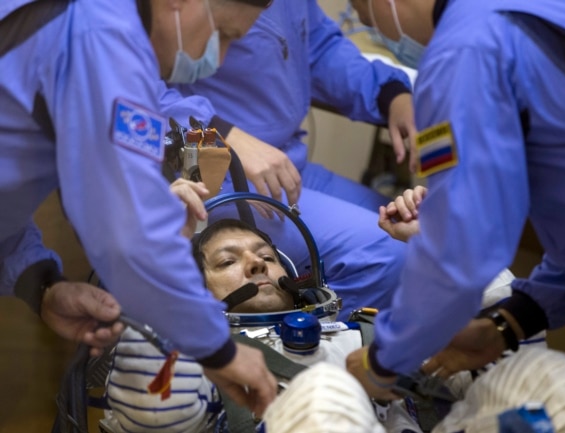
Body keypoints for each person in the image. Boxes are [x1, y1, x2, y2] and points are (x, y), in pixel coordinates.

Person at [345, 0, 565, 430]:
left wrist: (382, 360)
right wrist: (508, 323)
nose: (364, 22)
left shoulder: (461, 53)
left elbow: (461, 248)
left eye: (362, 9)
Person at [0, 0, 278, 416]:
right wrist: (218, 350)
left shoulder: (101, 34)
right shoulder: (104, 39)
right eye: (222, 34)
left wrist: (39, 283)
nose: (217, 59)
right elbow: (130, 231)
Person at [159, 0, 419, 317]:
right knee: (389, 254)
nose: (224, 52)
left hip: (287, 162)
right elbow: (133, 91)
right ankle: (292, 350)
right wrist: (222, 134)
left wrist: (390, 94)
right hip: (214, 172)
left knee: (416, 230)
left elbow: (319, 46)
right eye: (223, 35)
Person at [102, 217, 422, 433]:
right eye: (228, 261)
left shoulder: (370, 335)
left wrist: (430, 242)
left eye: (267, 257)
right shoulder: (194, 362)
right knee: (321, 394)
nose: (257, 263)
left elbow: (465, 360)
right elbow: (156, 415)